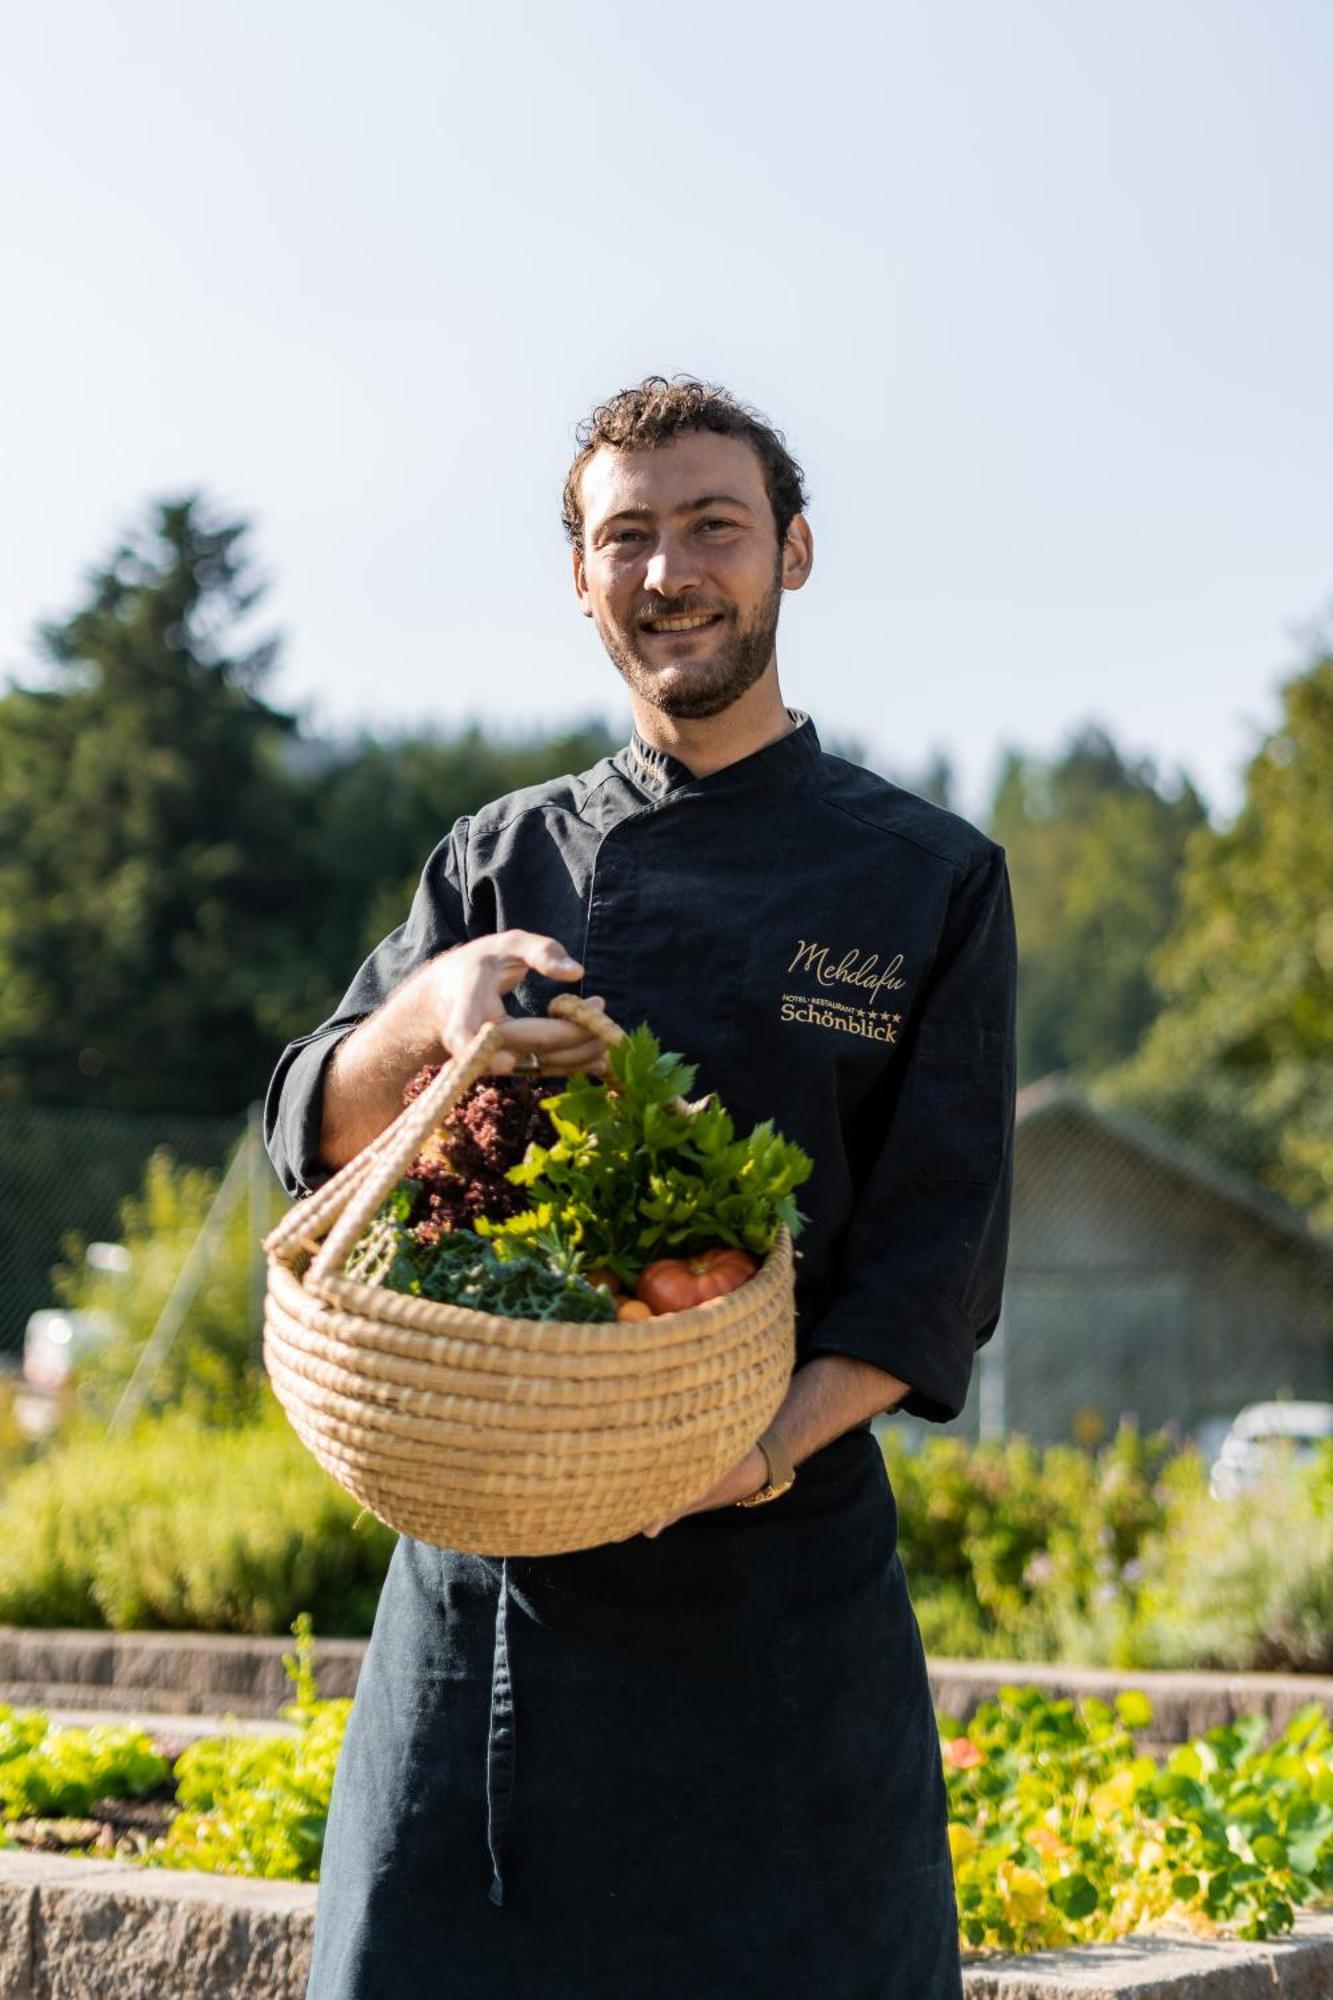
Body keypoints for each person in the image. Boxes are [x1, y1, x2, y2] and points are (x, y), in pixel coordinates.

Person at [265, 375, 1017, 1999]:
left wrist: (747, 1451)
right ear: (581, 576)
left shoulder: (925, 878)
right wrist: (426, 1012)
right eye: (628, 536)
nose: (668, 570)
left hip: (778, 1605)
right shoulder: (496, 863)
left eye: (711, 528)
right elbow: (301, 1133)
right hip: (493, 1610)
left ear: (792, 554)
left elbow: (931, 1262)